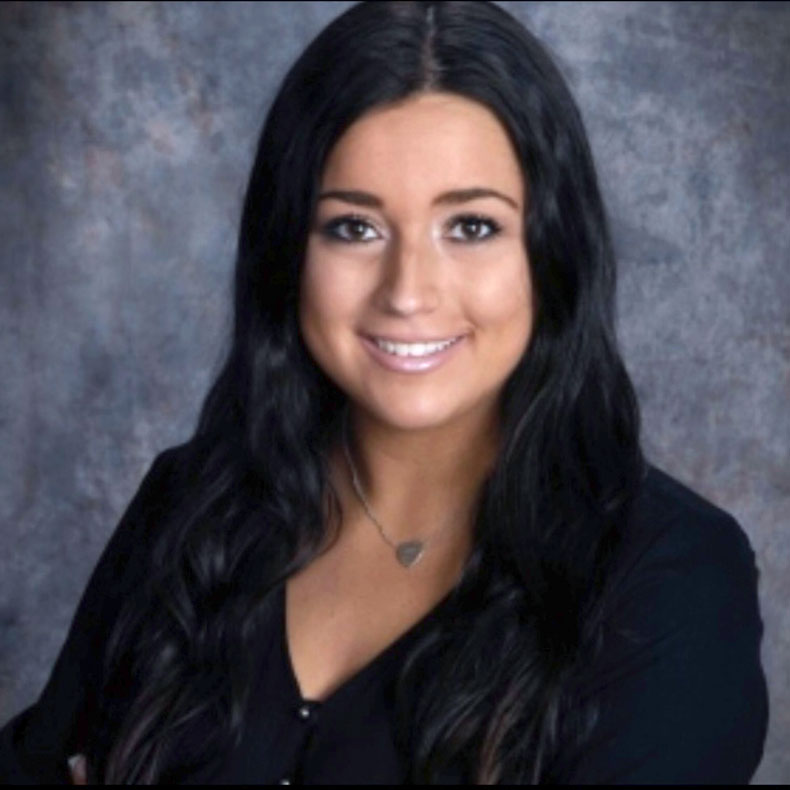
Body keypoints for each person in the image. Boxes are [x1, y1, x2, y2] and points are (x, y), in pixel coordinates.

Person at [0, 1, 768, 784]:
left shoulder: (672, 580)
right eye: (353, 228)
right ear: (287, 253)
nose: (408, 292)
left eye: (470, 226)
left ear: (553, 250)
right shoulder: (189, 506)